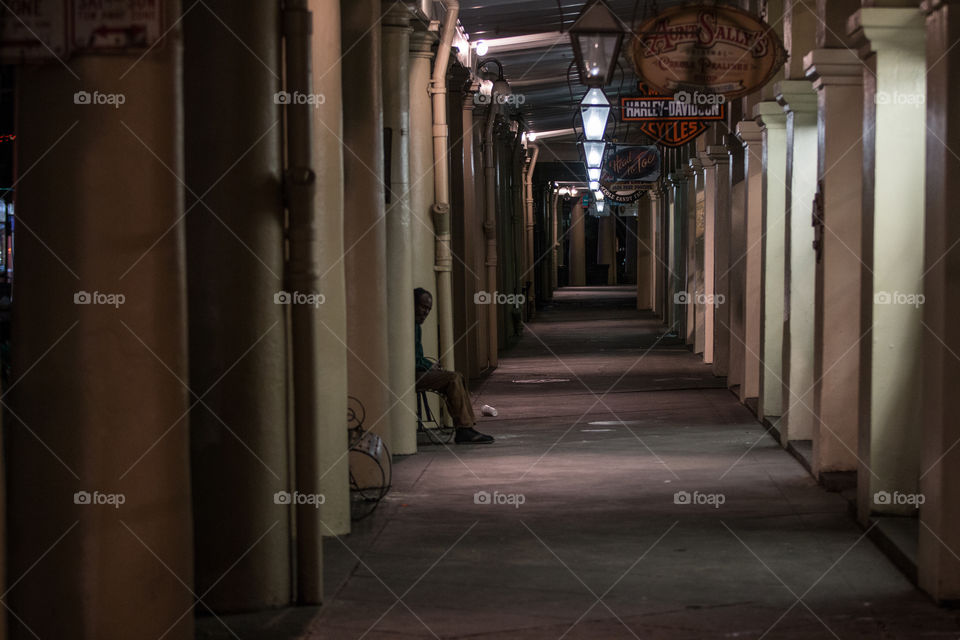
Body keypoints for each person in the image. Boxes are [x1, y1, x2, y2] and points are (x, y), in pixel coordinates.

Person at [414, 288, 494, 444]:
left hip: (417, 371)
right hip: (412, 374)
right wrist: (429, 366)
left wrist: (429, 365)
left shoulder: (416, 326)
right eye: (423, 307)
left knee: (457, 377)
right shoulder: (408, 325)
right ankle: (464, 429)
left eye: (428, 309)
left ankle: (467, 426)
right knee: (453, 378)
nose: (425, 312)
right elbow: (414, 360)